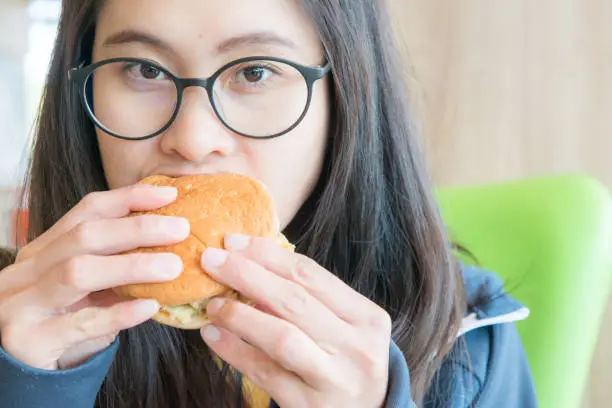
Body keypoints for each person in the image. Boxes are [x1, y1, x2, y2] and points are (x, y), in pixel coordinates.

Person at [0, 0, 538, 407]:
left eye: (254, 71)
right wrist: (26, 389)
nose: (192, 137)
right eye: (144, 70)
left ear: (346, 94)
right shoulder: (15, 325)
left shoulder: (467, 344)